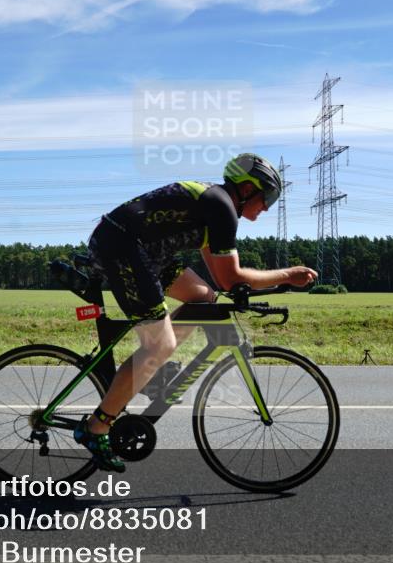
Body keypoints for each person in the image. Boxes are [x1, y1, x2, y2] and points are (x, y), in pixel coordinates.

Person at [74, 153, 318, 471]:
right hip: (122, 248)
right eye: (267, 198)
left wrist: (245, 289)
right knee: (160, 345)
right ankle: (96, 428)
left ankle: (149, 370)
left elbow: (220, 280)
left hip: (144, 250)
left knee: (204, 298)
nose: (267, 208)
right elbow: (232, 277)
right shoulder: (221, 207)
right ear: (247, 189)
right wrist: (287, 276)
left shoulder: (216, 204)